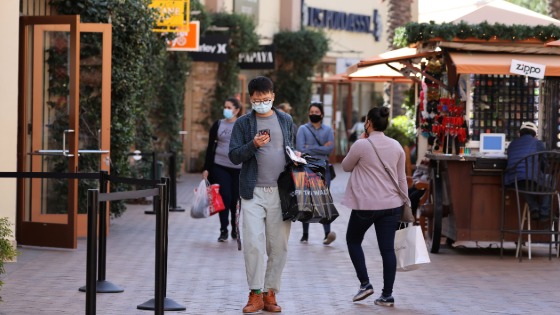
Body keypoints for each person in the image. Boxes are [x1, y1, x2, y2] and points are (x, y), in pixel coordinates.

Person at [229, 76, 296, 314]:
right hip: (252, 191)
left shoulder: (286, 120)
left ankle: (270, 293)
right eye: (257, 100)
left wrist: (296, 157)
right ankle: (255, 293)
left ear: (273, 96)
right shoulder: (243, 124)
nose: (262, 103)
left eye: (266, 99)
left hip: (281, 193)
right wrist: (253, 145)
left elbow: (290, 149)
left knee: (279, 246)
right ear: (250, 99)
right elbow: (234, 155)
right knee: (253, 244)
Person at [341, 106, 408, 307]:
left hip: (366, 205)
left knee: (353, 240)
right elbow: (402, 178)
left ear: (368, 122)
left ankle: (365, 284)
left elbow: (345, 166)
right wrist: (407, 203)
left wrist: (360, 140)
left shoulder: (361, 145)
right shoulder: (396, 146)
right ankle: (387, 295)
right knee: (387, 250)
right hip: (392, 205)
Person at [296, 102, 336, 245]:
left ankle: (327, 234)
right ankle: (305, 234)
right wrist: (320, 147)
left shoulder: (328, 130)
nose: (313, 113)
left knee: (323, 200)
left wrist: (310, 147)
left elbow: (330, 150)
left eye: (316, 111)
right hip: (306, 167)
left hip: (323, 168)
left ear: (322, 114)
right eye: (311, 111)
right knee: (306, 200)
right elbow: (300, 148)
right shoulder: (303, 129)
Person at [202, 97, 242, 242]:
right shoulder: (218, 124)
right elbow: (210, 147)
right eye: (225, 107)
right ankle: (223, 229)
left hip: (238, 168)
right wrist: (206, 168)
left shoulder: (242, 125)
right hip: (219, 166)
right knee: (225, 196)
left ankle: (235, 228)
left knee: (235, 199)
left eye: (229, 107)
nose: (226, 110)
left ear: (237, 110)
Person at [504, 121, 549, 221]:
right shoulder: (538, 143)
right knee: (548, 181)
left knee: (524, 183)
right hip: (530, 179)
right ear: (534, 134)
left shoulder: (512, 144)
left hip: (513, 181)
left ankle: (534, 208)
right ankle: (545, 213)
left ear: (520, 133)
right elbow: (544, 163)